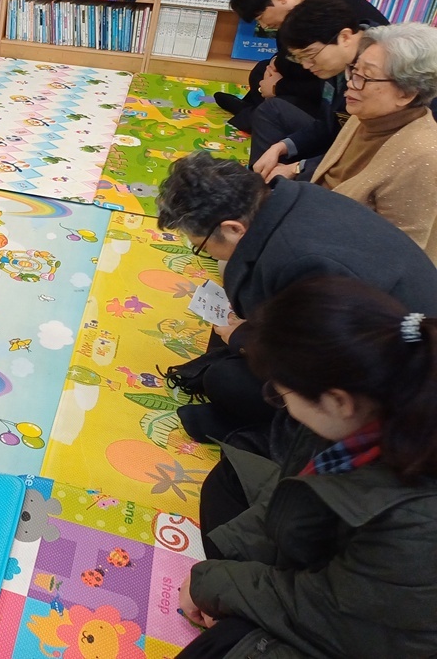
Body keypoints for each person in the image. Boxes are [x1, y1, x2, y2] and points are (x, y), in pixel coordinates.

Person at [178, 276, 437, 659]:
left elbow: (330, 614)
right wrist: (224, 574)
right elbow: (294, 490)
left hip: (367, 633)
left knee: (229, 644)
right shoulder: (368, 408)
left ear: (337, 401)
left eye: (280, 391)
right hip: (340, 569)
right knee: (232, 476)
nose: (278, 400)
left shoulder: (416, 522)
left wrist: (214, 585)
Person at [155, 152, 437, 444]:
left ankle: (262, 434)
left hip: (395, 381)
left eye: (201, 247)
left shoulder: (299, 262)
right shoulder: (297, 198)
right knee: (224, 345)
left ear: (233, 229)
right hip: (391, 330)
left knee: (225, 379)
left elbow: (322, 360)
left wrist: (242, 337)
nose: (205, 253)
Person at [311, 23, 437, 260]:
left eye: (365, 77)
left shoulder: (424, 156)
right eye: (354, 70)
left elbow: (398, 255)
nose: (351, 83)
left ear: (406, 94)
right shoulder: (365, 116)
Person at [220, 0, 388, 132]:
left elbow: (329, 79)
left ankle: (253, 116)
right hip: (312, 73)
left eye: (260, 17)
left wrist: (278, 87)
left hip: (337, 89)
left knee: (275, 106)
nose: (263, 25)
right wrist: (275, 64)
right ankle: (252, 112)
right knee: (261, 71)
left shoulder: (329, 8)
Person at [251, 0, 369, 181]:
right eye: (300, 58)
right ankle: (262, 184)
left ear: (345, 37)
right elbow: (327, 124)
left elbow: (364, 152)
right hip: (340, 143)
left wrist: (299, 167)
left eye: (310, 55)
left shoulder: (379, 71)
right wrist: (281, 147)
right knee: (271, 110)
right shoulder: (340, 63)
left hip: (364, 167)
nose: (306, 65)